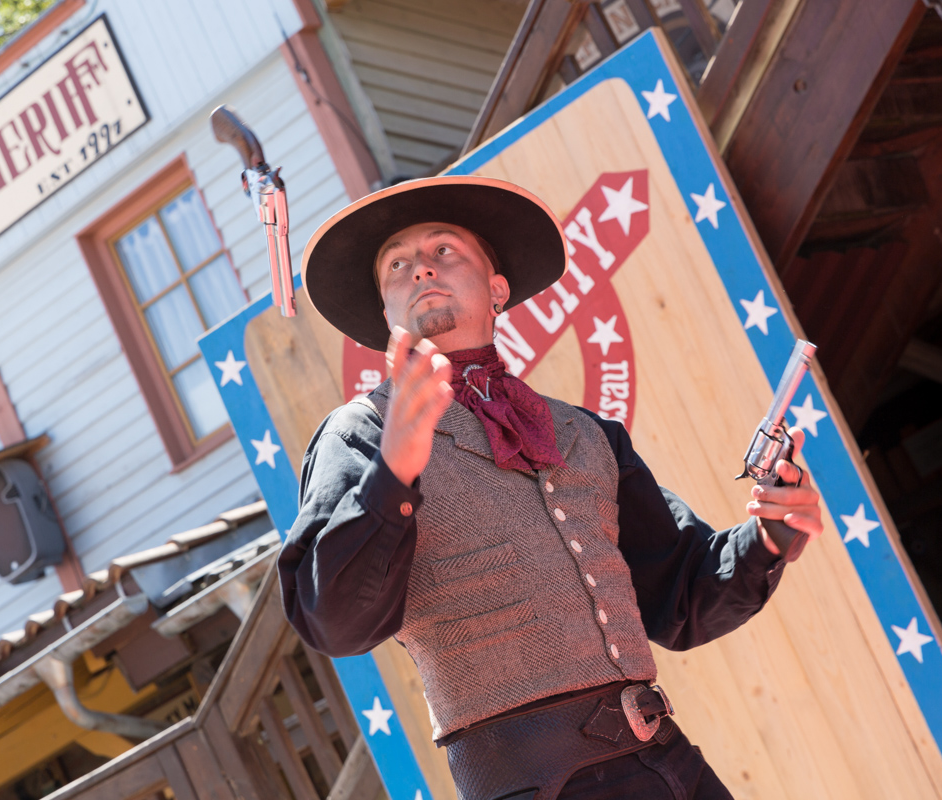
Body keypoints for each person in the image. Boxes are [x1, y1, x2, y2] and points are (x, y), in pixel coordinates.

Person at [278, 176, 823, 800]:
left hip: (667, 768)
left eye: (444, 251)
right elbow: (333, 622)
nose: (421, 271)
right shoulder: (360, 432)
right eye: (398, 265)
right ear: (386, 313)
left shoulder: (585, 432)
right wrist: (393, 469)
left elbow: (680, 596)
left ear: (497, 288)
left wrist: (769, 540)